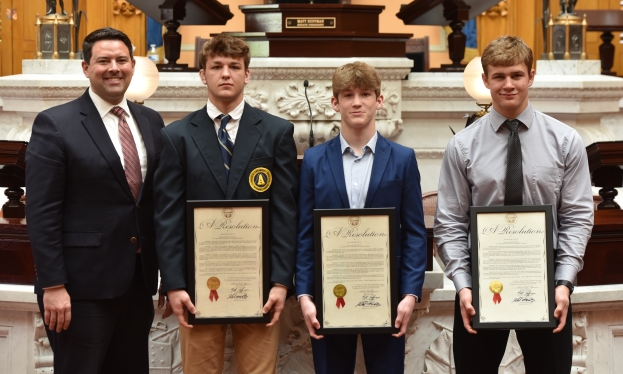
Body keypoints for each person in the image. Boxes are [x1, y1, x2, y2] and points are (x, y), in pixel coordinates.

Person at [434, 35, 593, 374]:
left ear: (531, 76)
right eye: (499, 76)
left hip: (547, 282)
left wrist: (563, 282)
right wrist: (463, 284)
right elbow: (450, 222)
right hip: (479, 284)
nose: (508, 84)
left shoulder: (565, 142)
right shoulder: (462, 147)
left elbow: (577, 217)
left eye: (517, 75)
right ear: (485, 80)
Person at [154, 34, 299, 374]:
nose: (225, 74)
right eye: (216, 66)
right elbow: (168, 217)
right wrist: (174, 283)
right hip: (197, 286)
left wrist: (280, 281)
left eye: (234, 66)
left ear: (247, 75)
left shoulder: (276, 132)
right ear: (202, 74)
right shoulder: (177, 137)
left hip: (259, 284)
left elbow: (284, 213)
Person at [26, 27, 165, 373]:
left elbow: (154, 202)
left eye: (121, 60)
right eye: (103, 61)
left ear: (134, 65)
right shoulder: (56, 124)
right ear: (86, 68)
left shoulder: (150, 121)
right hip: (79, 288)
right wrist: (53, 285)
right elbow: (41, 212)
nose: (113, 67)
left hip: (137, 281)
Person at [295, 61, 427, 373]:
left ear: (379, 100)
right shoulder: (313, 160)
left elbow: (414, 233)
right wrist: (304, 294)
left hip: (387, 296)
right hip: (329, 294)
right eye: (348, 95)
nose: (357, 102)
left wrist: (409, 294)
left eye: (365, 94)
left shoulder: (403, 159)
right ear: (334, 102)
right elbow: (304, 233)